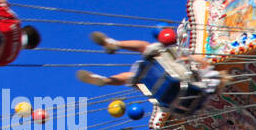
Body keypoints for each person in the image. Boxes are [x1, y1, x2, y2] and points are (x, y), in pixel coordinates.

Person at [78, 32, 224, 96]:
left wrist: (190, 58)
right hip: (175, 91)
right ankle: (105, 79)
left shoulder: (212, 80)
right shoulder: (206, 94)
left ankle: (115, 46)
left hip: (177, 79)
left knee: (145, 47)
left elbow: (203, 62)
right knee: (134, 77)